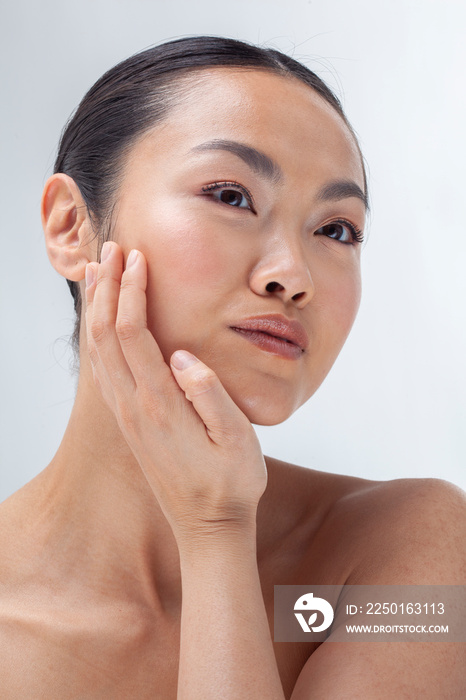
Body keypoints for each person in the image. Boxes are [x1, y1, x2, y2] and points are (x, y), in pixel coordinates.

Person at [0, 36, 464, 699]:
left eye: (336, 230)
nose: (293, 276)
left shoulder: (405, 547)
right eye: (230, 194)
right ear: (73, 227)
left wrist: (216, 536)